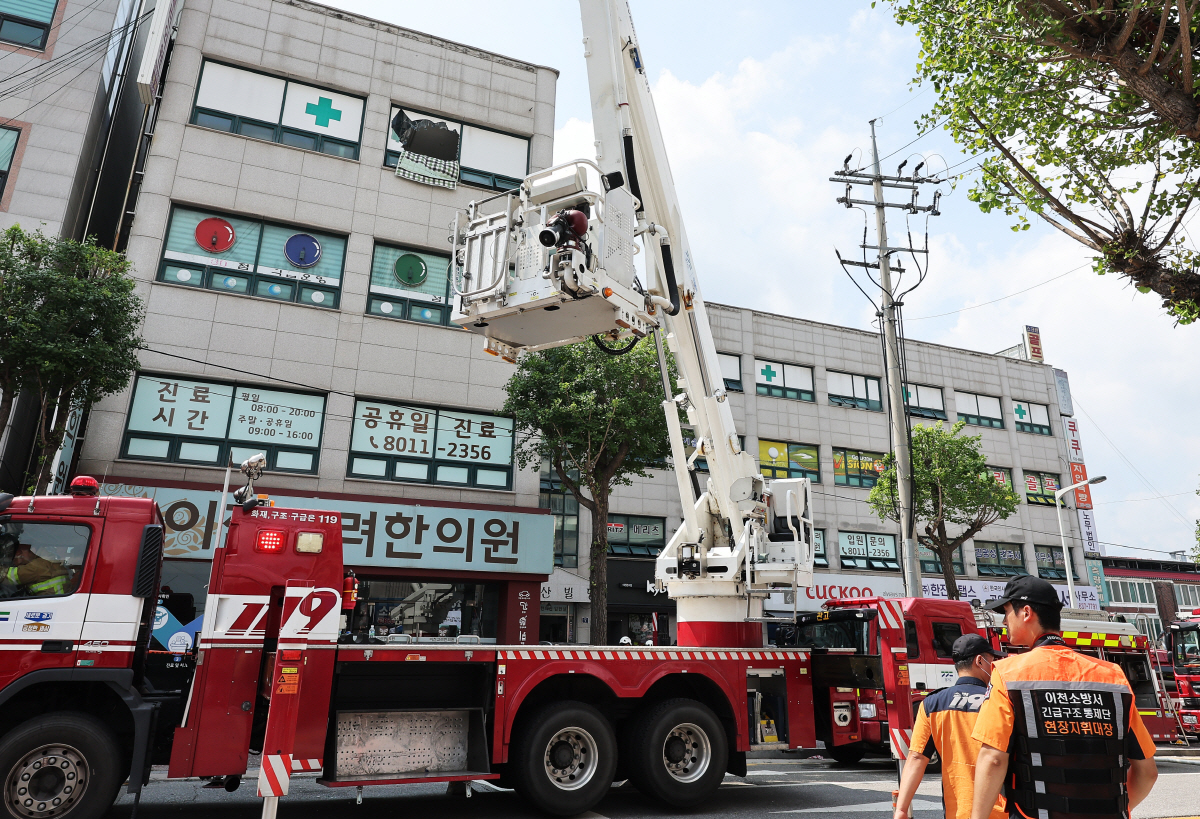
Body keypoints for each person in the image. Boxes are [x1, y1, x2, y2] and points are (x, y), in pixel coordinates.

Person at [970, 575, 1158, 819]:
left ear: (1026, 612)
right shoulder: (1113, 676)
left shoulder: (1008, 673)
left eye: (1006, 612)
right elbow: (1147, 772)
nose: (1004, 620)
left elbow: (994, 759)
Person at [893, 633, 1008, 819]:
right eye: (991, 661)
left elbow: (916, 758)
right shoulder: (999, 701)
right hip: (1001, 812)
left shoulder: (932, 704)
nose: (993, 667)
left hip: (957, 812)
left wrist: (901, 809)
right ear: (979, 661)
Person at [4, 541, 69, 597]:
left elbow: (8, 576)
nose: (16, 557)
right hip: (56, 603)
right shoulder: (47, 560)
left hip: (51, 605)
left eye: (19, 551)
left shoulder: (37, 566)